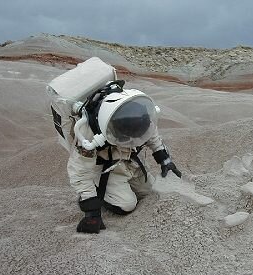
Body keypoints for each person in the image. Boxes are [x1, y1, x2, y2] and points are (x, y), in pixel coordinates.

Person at [67, 82, 181, 234]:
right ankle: (99, 191)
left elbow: (152, 136)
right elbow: (79, 171)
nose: (134, 137)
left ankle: (123, 184)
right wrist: (91, 211)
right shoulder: (89, 133)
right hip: (107, 168)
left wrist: (165, 160)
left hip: (130, 162)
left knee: (148, 192)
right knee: (127, 205)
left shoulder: (140, 117)